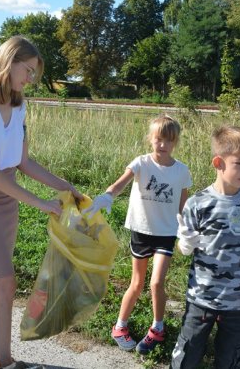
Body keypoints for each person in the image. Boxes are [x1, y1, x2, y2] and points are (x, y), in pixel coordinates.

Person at [0, 36, 82, 369]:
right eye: (27, 71)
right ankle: (5, 362)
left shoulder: (18, 102)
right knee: (5, 282)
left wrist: (66, 187)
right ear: (8, 62)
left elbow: (24, 163)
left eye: (33, 74)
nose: (30, 80)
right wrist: (42, 203)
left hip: (6, 197)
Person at [82, 115, 192, 355]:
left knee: (156, 282)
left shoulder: (182, 171)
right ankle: (119, 326)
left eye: (169, 141)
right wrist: (108, 195)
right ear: (150, 139)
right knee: (137, 282)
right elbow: (120, 183)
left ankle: (158, 328)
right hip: (141, 231)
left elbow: (183, 206)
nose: (163, 145)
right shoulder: (141, 163)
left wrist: (187, 229)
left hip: (166, 233)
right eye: (159, 139)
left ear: (176, 143)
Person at [170, 126, 240, 369]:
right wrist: (185, 242)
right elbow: (184, 249)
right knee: (187, 354)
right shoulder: (198, 203)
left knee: (231, 359)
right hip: (201, 297)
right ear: (219, 162)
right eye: (239, 163)